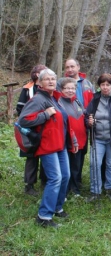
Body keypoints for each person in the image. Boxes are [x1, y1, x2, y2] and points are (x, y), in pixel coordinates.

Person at [18, 68, 78, 228]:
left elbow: (63, 122)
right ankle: (44, 216)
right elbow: (23, 120)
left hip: (60, 145)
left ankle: (57, 207)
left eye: (53, 78)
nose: (51, 81)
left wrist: (72, 138)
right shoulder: (38, 99)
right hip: (47, 145)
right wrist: (45, 114)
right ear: (40, 82)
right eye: (47, 79)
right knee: (55, 178)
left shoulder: (54, 98)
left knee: (65, 176)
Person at [85, 73, 111, 202]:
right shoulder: (94, 100)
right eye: (102, 84)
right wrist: (89, 122)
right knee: (94, 164)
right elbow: (87, 116)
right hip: (97, 138)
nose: (105, 87)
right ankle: (95, 191)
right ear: (99, 86)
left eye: (108, 85)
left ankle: (109, 189)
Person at [60, 58, 94, 190]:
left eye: (72, 66)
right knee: (70, 156)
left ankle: (77, 181)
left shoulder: (87, 84)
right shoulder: (61, 83)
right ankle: (69, 184)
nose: (70, 69)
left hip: (83, 121)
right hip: (68, 126)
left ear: (78, 67)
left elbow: (92, 103)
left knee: (80, 154)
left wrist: (90, 119)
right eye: (67, 67)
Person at [16, 64, 47, 196]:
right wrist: (32, 119)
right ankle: (29, 185)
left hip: (45, 127)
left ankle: (45, 181)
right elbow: (20, 109)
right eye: (38, 72)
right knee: (31, 157)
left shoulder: (48, 89)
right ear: (34, 74)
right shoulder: (27, 89)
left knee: (46, 154)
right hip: (30, 129)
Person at [58, 77, 87, 197]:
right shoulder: (59, 102)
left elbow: (83, 115)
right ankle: (64, 191)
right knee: (66, 167)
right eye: (67, 88)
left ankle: (74, 188)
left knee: (76, 166)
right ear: (61, 89)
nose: (70, 91)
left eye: (72, 88)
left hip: (81, 139)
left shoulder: (77, 101)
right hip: (67, 140)